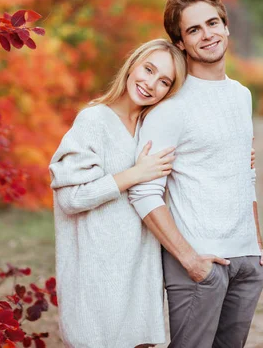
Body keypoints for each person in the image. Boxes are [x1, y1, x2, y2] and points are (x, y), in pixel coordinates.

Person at [129, 0, 263, 348]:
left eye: (212, 23)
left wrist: (257, 245)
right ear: (180, 43)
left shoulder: (241, 95)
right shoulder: (170, 105)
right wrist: (190, 261)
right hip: (199, 265)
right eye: (193, 30)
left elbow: (245, 171)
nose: (207, 35)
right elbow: (143, 191)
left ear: (226, 26)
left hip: (247, 262)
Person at [49, 39, 187, 348]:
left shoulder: (151, 126)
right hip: (98, 278)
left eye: (164, 81)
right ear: (133, 64)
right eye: (148, 69)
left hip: (140, 274)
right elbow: (70, 198)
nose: (151, 84)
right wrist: (133, 175)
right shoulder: (94, 120)